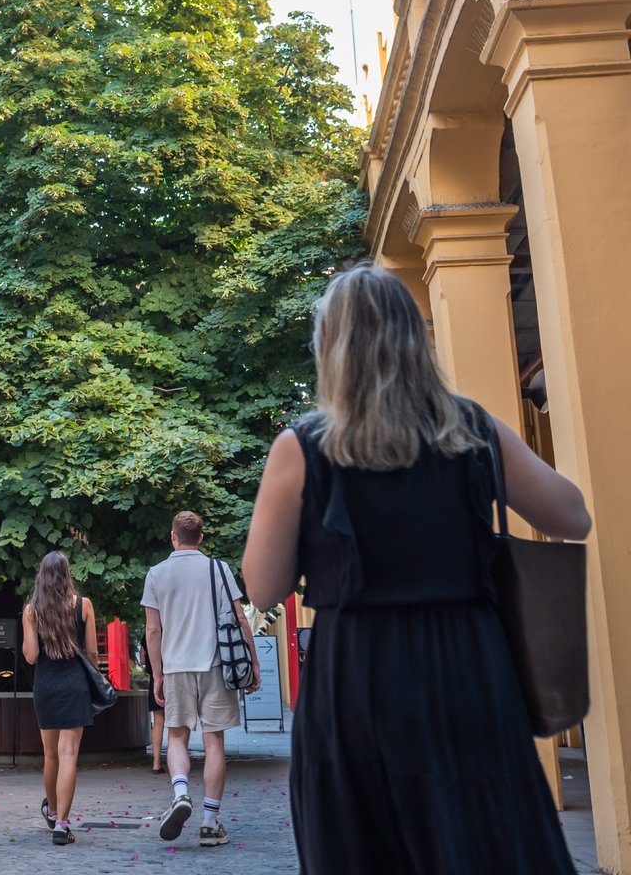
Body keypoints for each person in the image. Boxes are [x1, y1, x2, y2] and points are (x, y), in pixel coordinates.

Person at [242, 262, 592, 875]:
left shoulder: (303, 447)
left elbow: (264, 586)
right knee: (483, 842)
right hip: (467, 666)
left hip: (357, 677)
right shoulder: (472, 428)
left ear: (332, 348)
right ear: (415, 341)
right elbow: (572, 516)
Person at [142, 512, 260, 848]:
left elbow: (153, 629)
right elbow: (240, 618)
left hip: (176, 667)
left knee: (176, 737)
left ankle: (180, 793)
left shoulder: (156, 574)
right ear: (201, 538)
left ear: (173, 537)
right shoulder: (218, 570)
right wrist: (252, 662)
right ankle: (210, 823)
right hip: (216, 666)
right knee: (214, 742)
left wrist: (157, 674)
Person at [22, 551, 98, 847]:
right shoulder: (84, 605)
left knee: (51, 755)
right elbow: (91, 653)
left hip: (46, 687)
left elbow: (30, 657)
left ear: (41, 576)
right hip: (75, 684)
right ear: (68, 574)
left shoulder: (32, 610)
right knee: (69, 755)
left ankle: (52, 812)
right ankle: (62, 825)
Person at [137, 637, 165, 774]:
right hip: (173, 678)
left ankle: (156, 763)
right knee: (176, 724)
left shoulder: (146, 636)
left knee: (158, 723)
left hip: (155, 680)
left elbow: (142, 660)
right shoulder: (171, 628)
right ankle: (177, 763)